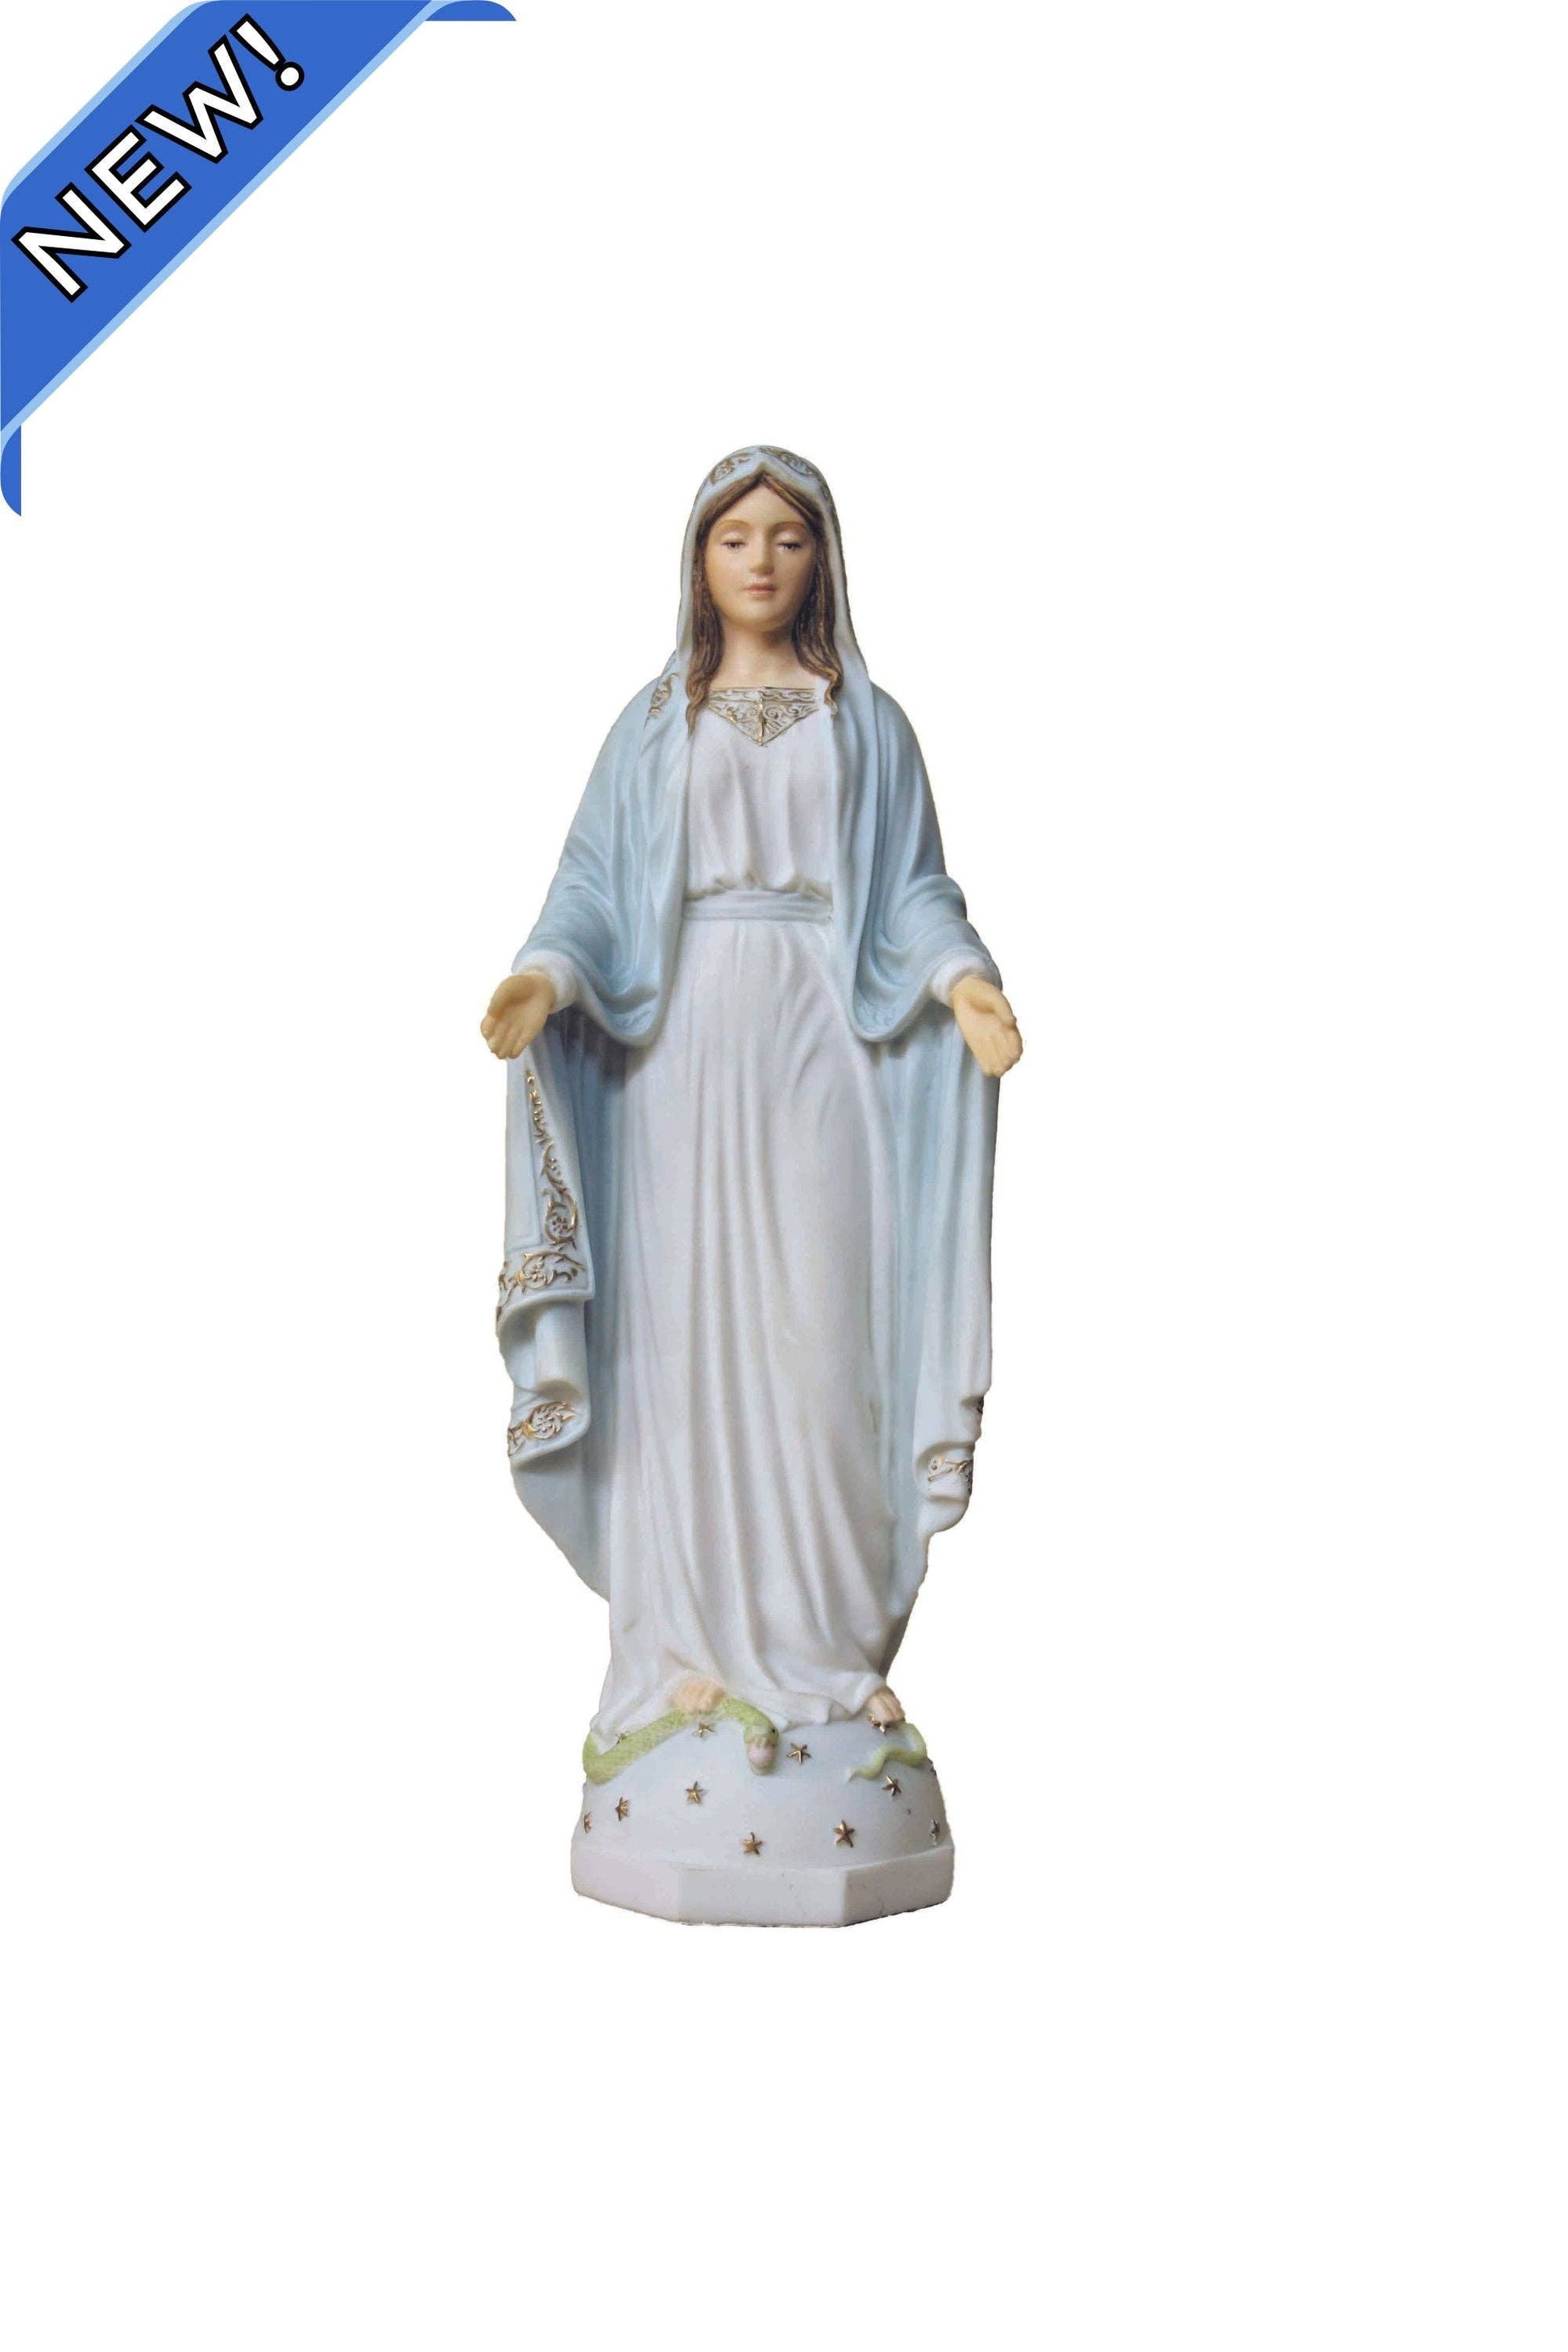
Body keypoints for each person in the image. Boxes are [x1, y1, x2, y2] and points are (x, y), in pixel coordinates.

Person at [481, 447, 1021, 1765]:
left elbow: (914, 891)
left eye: (787, 536)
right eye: (736, 538)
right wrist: (547, 975)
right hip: (678, 1053)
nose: (762, 560)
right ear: (698, 560)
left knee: (824, 1329)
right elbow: (593, 886)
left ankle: (826, 1646)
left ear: (821, 556)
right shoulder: (652, 724)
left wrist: (960, 982)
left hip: (827, 1044)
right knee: (682, 1336)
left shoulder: (867, 724)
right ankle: (683, 1651)